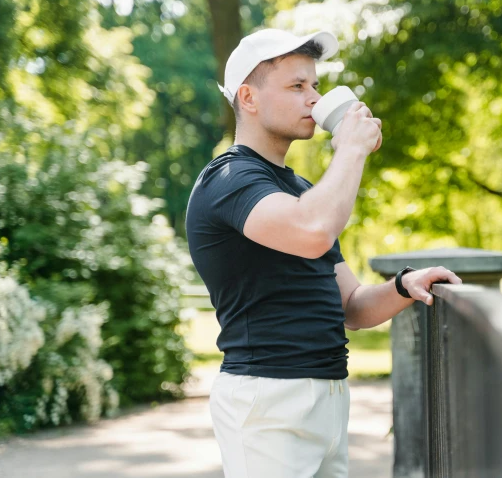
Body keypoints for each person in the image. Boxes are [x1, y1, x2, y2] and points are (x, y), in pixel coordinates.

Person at [185, 28, 462, 478]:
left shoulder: (301, 191)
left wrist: (404, 285)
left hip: (328, 394)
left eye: (314, 85)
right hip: (269, 399)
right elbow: (312, 230)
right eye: (297, 86)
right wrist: (351, 149)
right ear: (249, 98)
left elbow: (351, 306)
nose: (314, 98)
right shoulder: (228, 178)